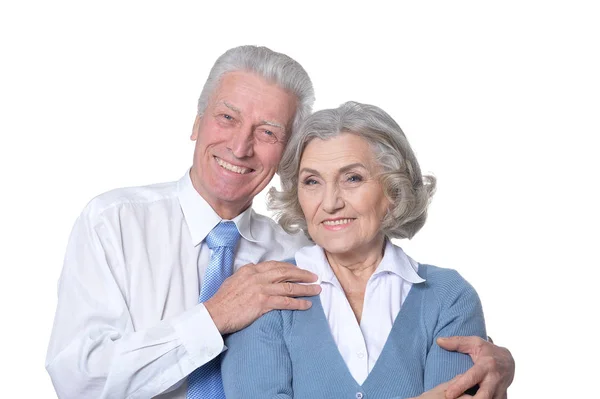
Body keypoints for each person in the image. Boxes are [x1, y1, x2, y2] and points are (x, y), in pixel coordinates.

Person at [45, 46, 514, 399]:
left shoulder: (293, 258)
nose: (241, 146)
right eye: (227, 118)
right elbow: (78, 378)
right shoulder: (115, 223)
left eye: (267, 132)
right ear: (196, 122)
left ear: (287, 152)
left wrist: (501, 367)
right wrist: (214, 317)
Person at [221, 101, 494, 398]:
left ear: (393, 189)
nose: (330, 202)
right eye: (312, 181)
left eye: (352, 178)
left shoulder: (449, 297)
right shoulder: (265, 292)